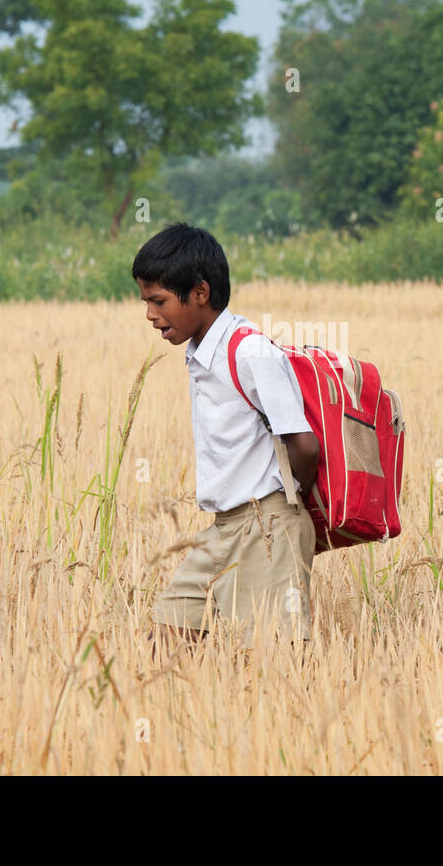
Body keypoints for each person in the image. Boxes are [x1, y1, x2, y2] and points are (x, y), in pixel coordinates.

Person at [132, 223, 319, 647]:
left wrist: (286, 510)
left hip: (267, 526)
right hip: (221, 528)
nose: (149, 314)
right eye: (146, 302)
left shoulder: (250, 351)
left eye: (158, 300)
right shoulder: (202, 354)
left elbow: (304, 445)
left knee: (273, 663)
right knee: (166, 640)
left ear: (200, 293)